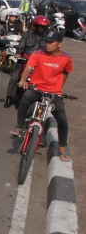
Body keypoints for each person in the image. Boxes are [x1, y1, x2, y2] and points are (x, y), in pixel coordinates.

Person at [10, 31, 73, 161]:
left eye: (51, 42)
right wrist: (22, 80)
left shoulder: (66, 58)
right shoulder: (38, 54)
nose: (47, 44)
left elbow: (66, 72)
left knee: (62, 119)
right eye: (46, 41)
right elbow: (28, 68)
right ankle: (20, 127)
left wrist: (58, 88)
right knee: (25, 99)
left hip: (53, 93)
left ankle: (62, 147)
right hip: (36, 88)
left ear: (59, 44)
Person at [3, 15, 49, 108]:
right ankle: (9, 97)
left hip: (40, 62)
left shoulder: (47, 38)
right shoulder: (27, 35)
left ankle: (44, 97)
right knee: (15, 78)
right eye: (40, 27)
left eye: (44, 27)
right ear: (35, 26)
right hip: (25, 60)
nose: (42, 29)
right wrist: (18, 54)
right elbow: (20, 47)